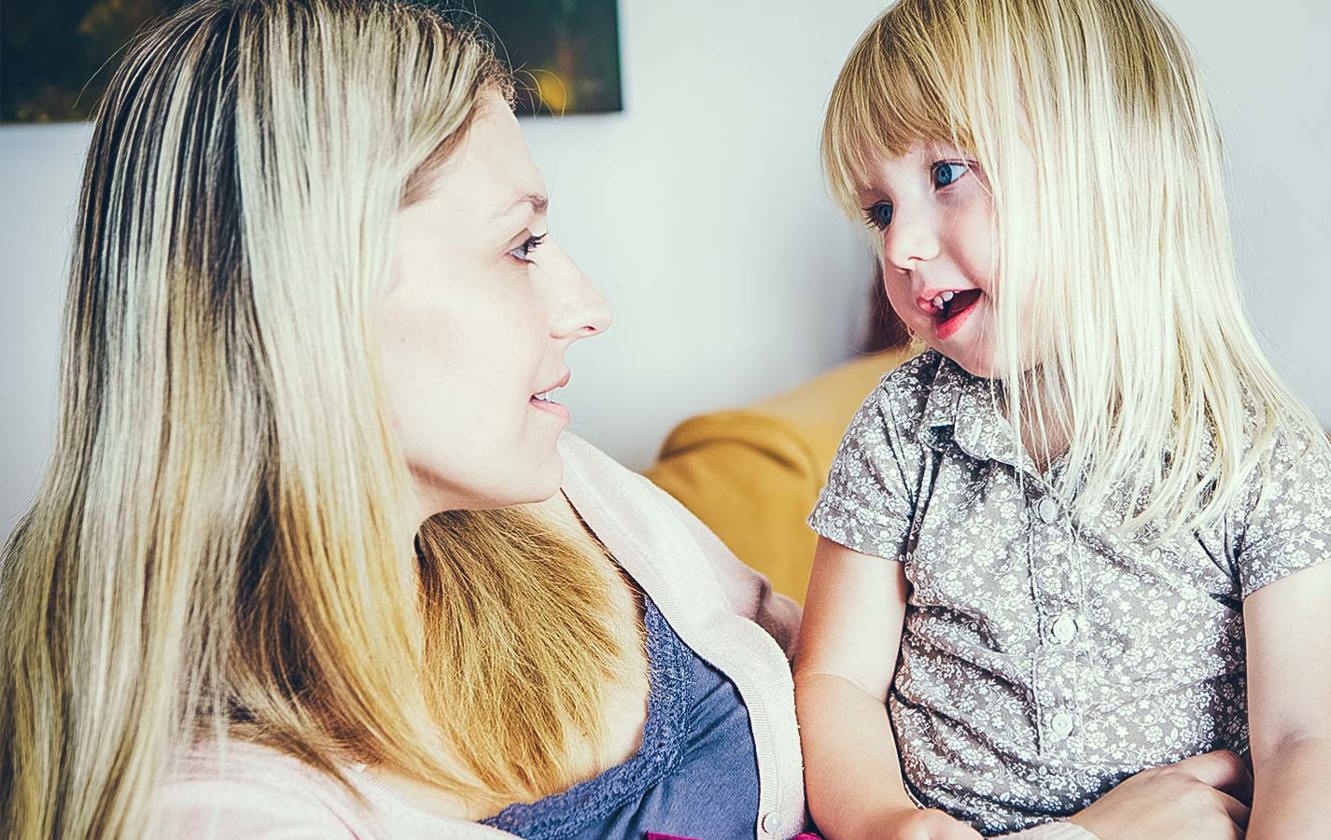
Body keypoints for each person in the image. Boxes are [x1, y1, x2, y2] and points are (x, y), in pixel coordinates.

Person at [0, 2, 807, 838]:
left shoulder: (563, 491)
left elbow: (834, 681)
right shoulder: (212, 809)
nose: (588, 307)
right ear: (311, 297)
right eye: (521, 245)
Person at [795, 1, 1331, 838]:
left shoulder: (1259, 450)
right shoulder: (900, 425)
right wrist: (884, 821)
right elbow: (837, 681)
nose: (899, 247)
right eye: (881, 210)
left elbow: (1306, 740)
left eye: (946, 173)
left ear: (1110, 173)